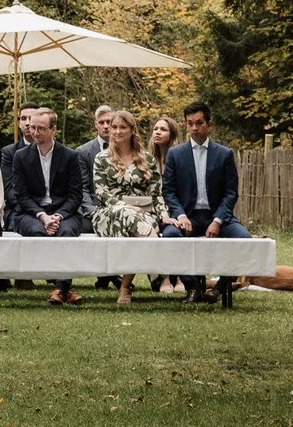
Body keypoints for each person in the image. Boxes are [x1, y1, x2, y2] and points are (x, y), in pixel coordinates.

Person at [159, 101, 250, 301]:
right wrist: (180, 215)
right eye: (190, 123)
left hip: (217, 216)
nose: (194, 128)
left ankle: (219, 288)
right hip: (187, 216)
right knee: (170, 236)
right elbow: (169, 191)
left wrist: (217, 221)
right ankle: (192, 287)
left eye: (199, 123)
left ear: (209, 124)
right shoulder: (175, 154)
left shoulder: (224, 154)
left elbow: (231, 193)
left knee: (244, 239)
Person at [5, 107, 91, 304]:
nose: (35, 133)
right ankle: (65, 289)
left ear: (54, 129)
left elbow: (75, 196)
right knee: (38, 232)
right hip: (31, 212)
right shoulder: (21, 156)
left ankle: (59, 288)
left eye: (41, 129)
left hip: (64, 212)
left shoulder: (70, 156)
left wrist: (58, 216)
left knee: (66, 233)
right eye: (33, 128)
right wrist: (43, 216)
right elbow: (21, 196)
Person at [89, 108, 164, 304]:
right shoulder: (101, 158)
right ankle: (161, 275)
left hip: (143, 215)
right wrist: (125, 206)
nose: (116, 131)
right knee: (130, 217)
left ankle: (125, 286)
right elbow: (101, 193)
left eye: (122, 127)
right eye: (114, 127)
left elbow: (156, 193)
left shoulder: (147, 159)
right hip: (108, 213)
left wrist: (164, 216)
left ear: (132, 130)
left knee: (137, 228)